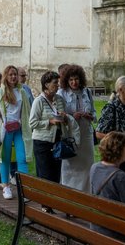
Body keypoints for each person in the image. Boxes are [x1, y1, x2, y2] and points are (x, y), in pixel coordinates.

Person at [29, 71, 80, 212]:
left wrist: (64, 117)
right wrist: (49, 121)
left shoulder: (59, 99)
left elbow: (64, 118)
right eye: (55, 83)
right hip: (42, 142)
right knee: (45, 174)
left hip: (58, 142)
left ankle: (52, 202)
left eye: (57, 83)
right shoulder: (38, 101)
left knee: (56, 174)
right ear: (46, 84)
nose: (57, 86)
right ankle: (45, 205)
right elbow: (32, 123)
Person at [0, 65, 32, 199]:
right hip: (5, 129)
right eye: (10, 75)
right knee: (5, 158)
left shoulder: (22, 92)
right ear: (6, 76)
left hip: (19, 129)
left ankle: (23, 188)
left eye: (15, 74)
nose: (13, 77)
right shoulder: (0, 92)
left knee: (22, 158)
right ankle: (6, 186)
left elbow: (27, 111)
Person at [96, 76, 125, 187]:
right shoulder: (111, 108)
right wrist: (123, 139)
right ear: (120, 90)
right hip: (119, 155)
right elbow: (98, 133)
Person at [57, 64, 96, 192]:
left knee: (87, 164)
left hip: (86, 134)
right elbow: (59, 114)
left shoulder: (87, 92)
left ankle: (86, 193)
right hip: (71, 135)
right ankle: (69, 192)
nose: (74, 82)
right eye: (71, 80)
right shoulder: (61, 93)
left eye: (76, 79)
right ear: (67, 80)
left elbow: (94, 113)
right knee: (70, 164)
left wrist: (90, 116)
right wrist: (72, 116)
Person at [90, 131, 125, 242]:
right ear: (119, 150)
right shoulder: (121, 177)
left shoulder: (95, 167)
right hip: (115, 232)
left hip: (97, 226)